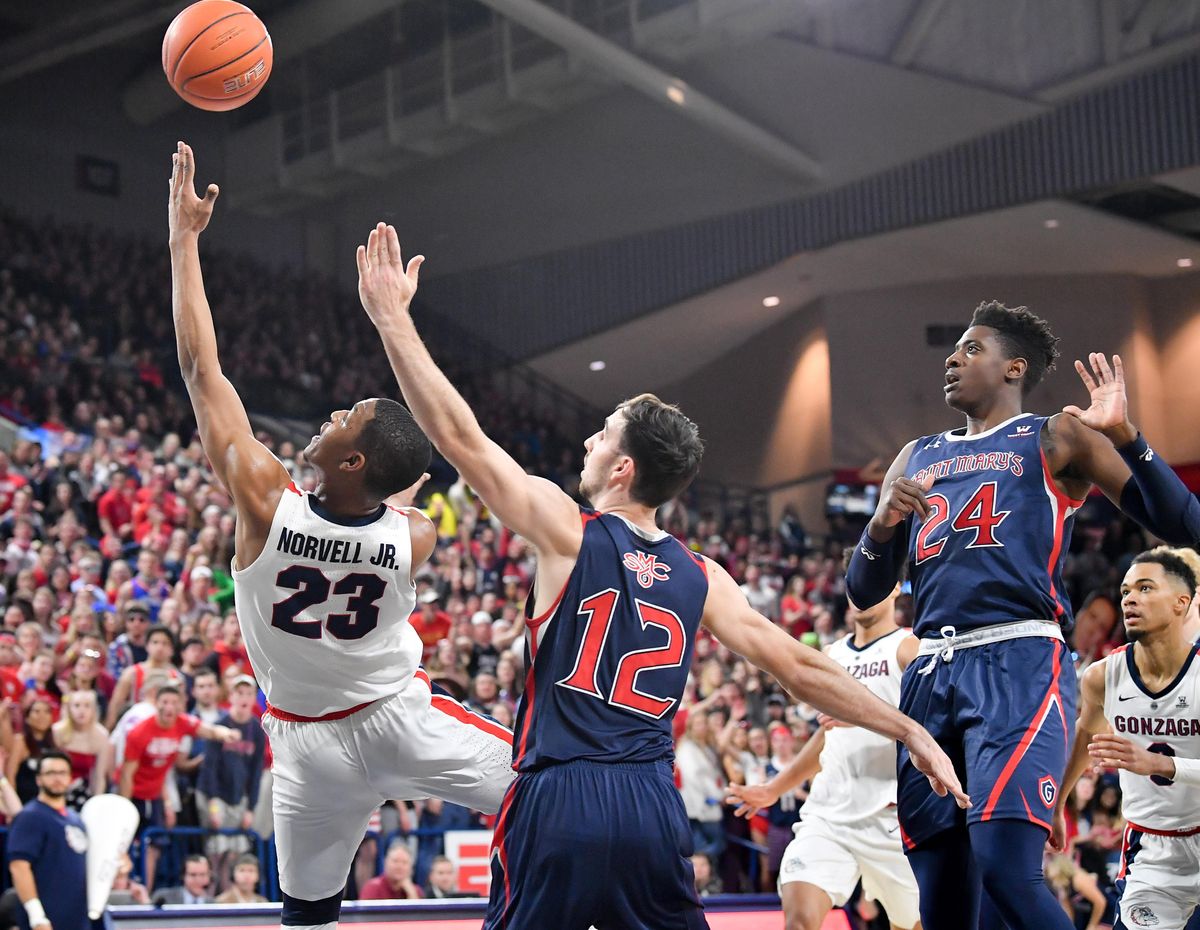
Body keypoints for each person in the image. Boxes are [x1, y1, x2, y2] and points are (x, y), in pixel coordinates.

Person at [356, 220, 965, 930]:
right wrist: (910, 731)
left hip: (561, 794)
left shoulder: (565, 527)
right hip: (650, 803)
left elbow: (461, 439)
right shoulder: (702, 575)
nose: (586, 440)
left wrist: (393, 320)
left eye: (602, 433)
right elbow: (801, 667)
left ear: (622, 468)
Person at [168, 142, 515, 930]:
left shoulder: (265, 503)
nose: (326, 418)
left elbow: (199, 367)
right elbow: (413, 474)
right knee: (553, 785)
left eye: (340, 420)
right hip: (403, 720)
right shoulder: (415, 535)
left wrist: (184, 240)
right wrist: (396, 326)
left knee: (308, 917)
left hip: (306, 746)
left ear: (352, 459)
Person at [846, 303, 1200, 930]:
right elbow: (864, 590)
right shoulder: (914, 456)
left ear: (1014, 367)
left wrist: (1125, 436)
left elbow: (1182, 524)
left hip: (1017, 661)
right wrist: (880, 526)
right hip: (930, 672)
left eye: (971, 349)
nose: (953, 359)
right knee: (944, 899)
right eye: (952, 350)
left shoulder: (1054, 436)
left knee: (1006, 871)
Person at [728, 552, 922, 930]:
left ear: (897, 587)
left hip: (891, 817)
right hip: (828, 815)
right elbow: (825, 736)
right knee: (799, 921)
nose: (863, 591)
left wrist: (861, 718)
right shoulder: (831, 655)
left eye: (875, 579)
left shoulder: (908, 648)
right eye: (857, 580)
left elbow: (928, 732)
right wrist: (774, 788)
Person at [1052, 551, 1200, 929]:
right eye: (1126, 590)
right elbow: (1086, 736)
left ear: (1182, 602)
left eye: (1146, 588)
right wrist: (1060, 803)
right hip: (1151, 850)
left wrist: (1160, 764)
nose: (1130, 598)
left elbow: (1156, 762)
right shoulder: (1103, 676)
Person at [119, 684, 236, 890]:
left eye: (174, 702)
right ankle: (123, 889)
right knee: (125, 846)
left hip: (155, 794)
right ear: (156, 704)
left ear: (181, 705)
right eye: (164, 702)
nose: (169, 707)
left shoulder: (182, 723)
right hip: (133, 794)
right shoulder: (139, 732)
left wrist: (224, 733)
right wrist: (124, 809)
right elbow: (126, 775)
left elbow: (206, 730)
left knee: (154, 847)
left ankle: (145, 890)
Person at [7, 751, 93, 930]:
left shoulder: (76, 819)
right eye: (50, 773)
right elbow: (19, 867)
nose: (57, 778)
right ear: (38, 779)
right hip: (47, 920)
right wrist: (37, 915)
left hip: (77, 918)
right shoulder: (31, 817)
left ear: (70, 778)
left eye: (62, 773)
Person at [197, 674, 266, 886]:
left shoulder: (256, 730)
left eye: (248, 693)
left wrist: (250, 808)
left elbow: (255, 773)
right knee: (217, 848)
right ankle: (212, 892)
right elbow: (210, 768)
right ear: (231, 696)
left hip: (239, 796)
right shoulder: (220, 725)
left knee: (236, 850)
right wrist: (213, 804)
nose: (244, 698)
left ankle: (228, 892)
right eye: (239, 693)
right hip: (214, 794)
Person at [105, 624, 184, 729]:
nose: (159, 647)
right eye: (155, 642)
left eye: (165, 643)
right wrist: (109, 728)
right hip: (136, 726)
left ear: (172, 650)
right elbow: (116, 705)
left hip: (165, 730)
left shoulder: (176, 677)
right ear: (147, 645)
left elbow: (181, 709)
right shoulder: (131, 673)